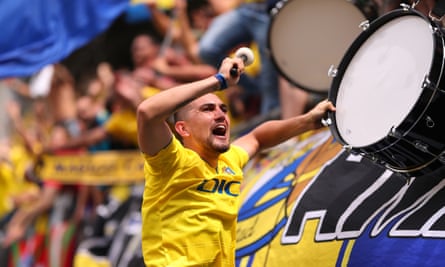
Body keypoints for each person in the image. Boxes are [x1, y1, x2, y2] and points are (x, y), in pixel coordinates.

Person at [136, 56, 335, 265]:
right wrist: (219, 80)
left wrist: (308, 121)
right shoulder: (169, 162)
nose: (220, 115)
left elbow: (258, 138)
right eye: (208, 109)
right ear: (183, 129)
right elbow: (146, 113)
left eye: (223, 109)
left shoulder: (229, 160)